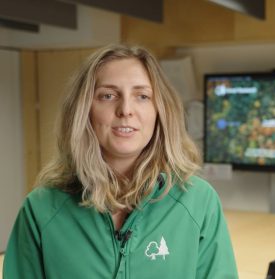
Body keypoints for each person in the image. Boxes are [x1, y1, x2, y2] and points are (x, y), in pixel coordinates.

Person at [3, 44, 239, 279]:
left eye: (142, 96)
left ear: (160, 111)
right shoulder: (41, 209)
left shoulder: (198, 202)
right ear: (84, 109)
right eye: (108, 95)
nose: (125, 109)